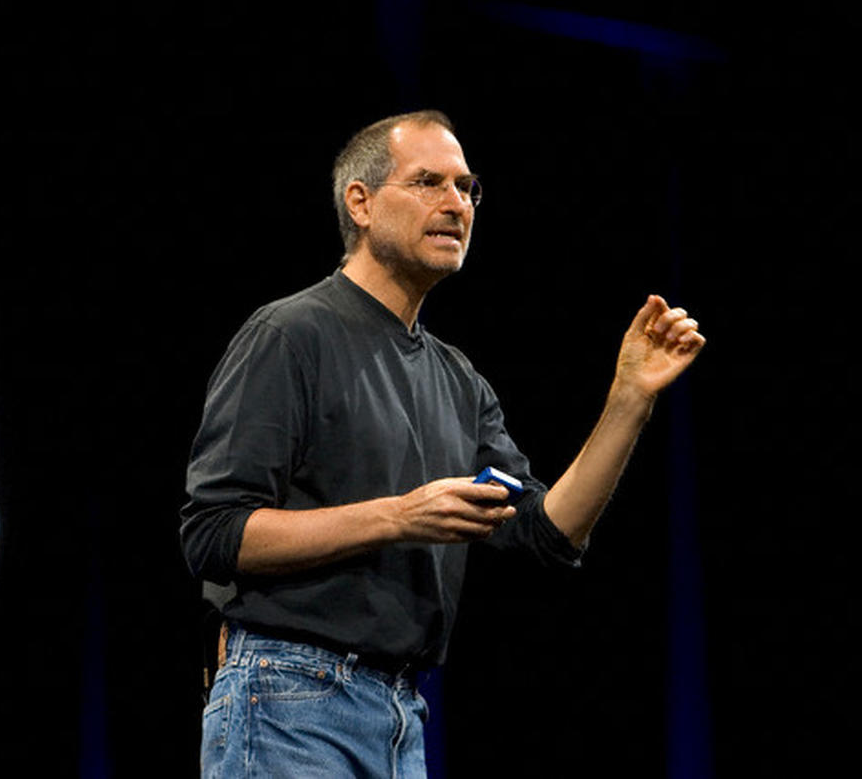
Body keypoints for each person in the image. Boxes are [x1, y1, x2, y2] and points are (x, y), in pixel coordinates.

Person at [179, 110, 705, 778]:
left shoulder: (458, 380)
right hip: (290, 696)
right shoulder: (291, 334)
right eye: (428, 182)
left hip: (401, 715)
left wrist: (629, 401)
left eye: (467, 187)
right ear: (361, 203)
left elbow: (550, 532)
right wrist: (400, 516)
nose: (455, 203)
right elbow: (214, 533)